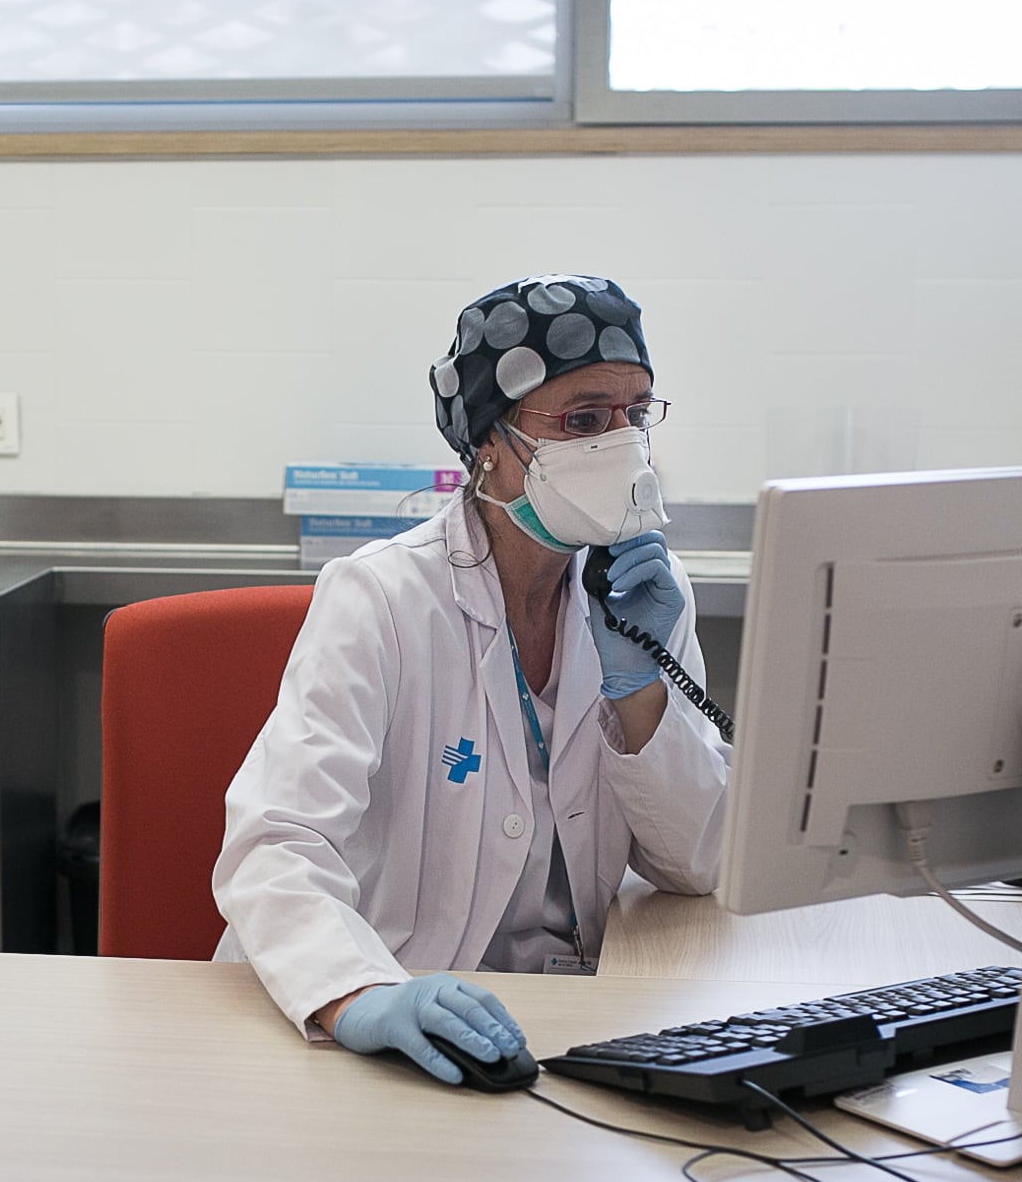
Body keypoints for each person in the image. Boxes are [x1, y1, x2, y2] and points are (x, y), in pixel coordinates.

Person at [214, 275, 733, 1083]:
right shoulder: (381, 597)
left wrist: (640, 695)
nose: (622, 445)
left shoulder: (640, 596)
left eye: (636, 414)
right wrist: (358, 994)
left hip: (572, 1021)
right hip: (392, 1014)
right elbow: (274, 843)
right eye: (582, 420)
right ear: (489, 439)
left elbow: (695, 865)